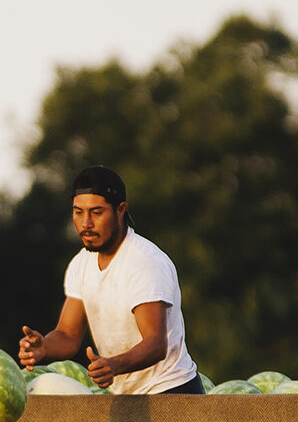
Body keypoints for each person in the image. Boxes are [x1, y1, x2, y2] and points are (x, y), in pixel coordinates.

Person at [19, 165, 203, 394]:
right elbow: (68, 335)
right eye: (78, 212)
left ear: (120, 210)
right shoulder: (81, 264)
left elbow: (155, 344)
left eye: (96, 213)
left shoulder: (144, 261)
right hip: (125, 397)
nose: (86, 223)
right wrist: (43, 347)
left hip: (172, 393)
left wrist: (114, 365)